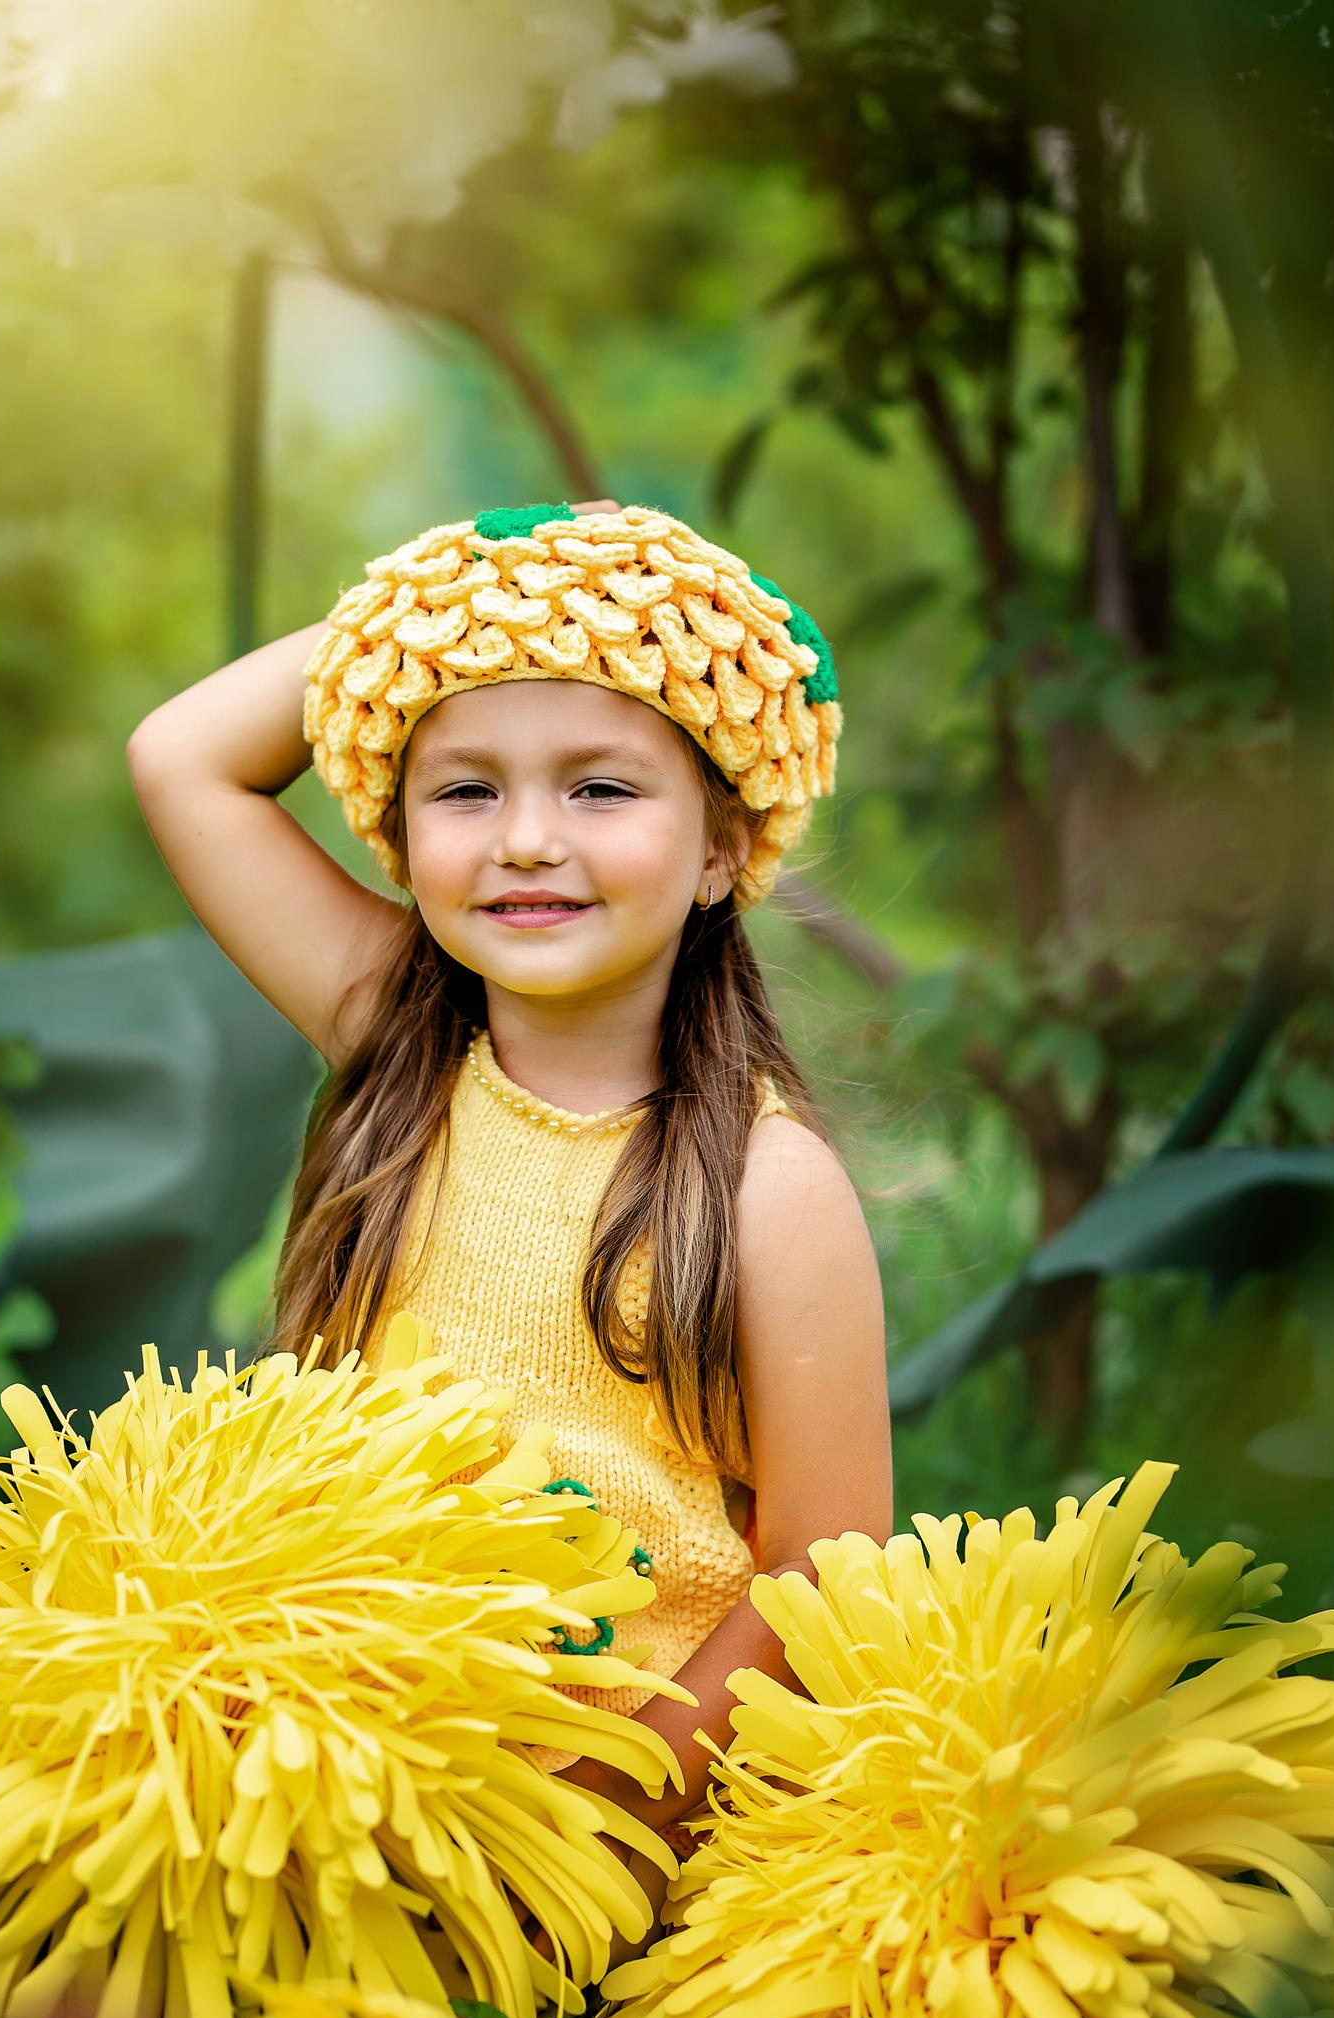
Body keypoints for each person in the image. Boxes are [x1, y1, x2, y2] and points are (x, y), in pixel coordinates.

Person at [124, 496, 892, 1892]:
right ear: (400, 838)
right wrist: (472, 595)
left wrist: (593, 1824)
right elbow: (182, 758)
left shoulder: (764, 1184)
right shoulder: (398, 1043)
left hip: (619, 1784)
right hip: (345, 1739)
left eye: (599, 789)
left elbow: (824, 1569)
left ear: (722, 847)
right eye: (465, 790)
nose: (527, 840)